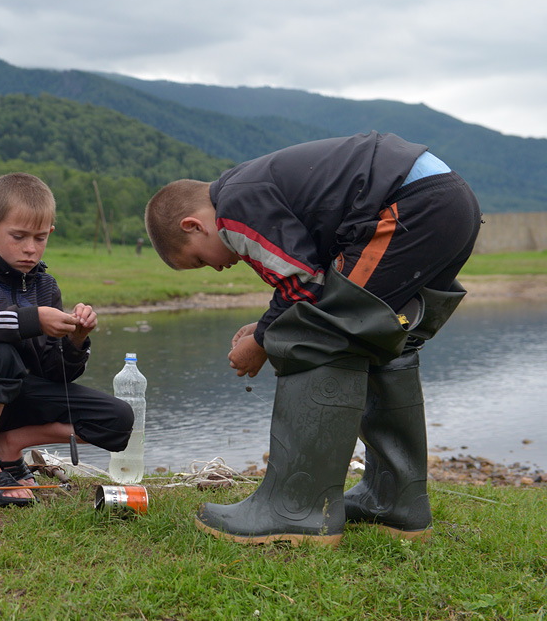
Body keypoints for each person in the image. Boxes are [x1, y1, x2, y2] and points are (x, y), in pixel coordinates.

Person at [145, 132, 481, 546]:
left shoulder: (233, 207)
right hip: (447, 201)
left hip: (411, 205)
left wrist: (264, 340)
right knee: (380, 337)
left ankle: (294, 511)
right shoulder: (253, 188)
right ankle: (393, 502)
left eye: (198, 259)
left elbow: (303, 283)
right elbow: (314, 280)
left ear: (193, 225)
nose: (213, 270)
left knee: (321, 335)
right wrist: (269, 325)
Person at [0, 173, 135, 506]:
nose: (30, 249)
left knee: (119, 420)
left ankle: (10, 446)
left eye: (40, 238)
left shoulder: (46, 287)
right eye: (18, 236)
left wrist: (76, 341)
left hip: (18, 399)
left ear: (50, 234)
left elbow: (55, 374)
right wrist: (33, 320)